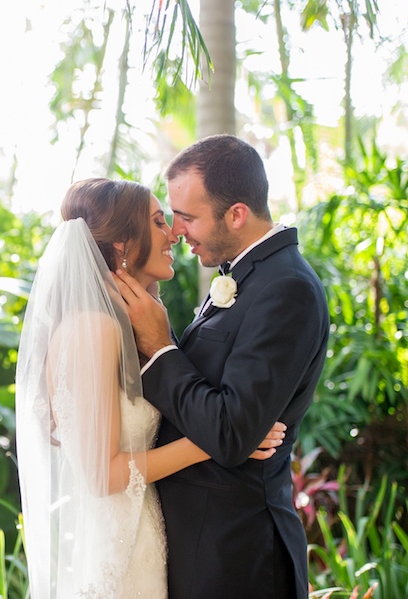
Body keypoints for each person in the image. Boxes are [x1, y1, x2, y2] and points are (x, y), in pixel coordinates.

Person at [15, 178, 285, 598]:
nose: (174, 232)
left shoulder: (127, 325)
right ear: (123, 243)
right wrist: (222, 440)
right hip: (117, 556)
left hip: (145, 538)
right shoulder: (94, 328)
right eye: (159, 222)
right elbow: (102, 474)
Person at [113, 135, 330, 598]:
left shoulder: (287, 289)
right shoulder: (244, 275)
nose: (176, 230)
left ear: (236, 214)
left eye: (187, 217)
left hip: (237, 557)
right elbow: (211, 406)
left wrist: (161, 349)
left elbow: (233, 433)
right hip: (199, 546)